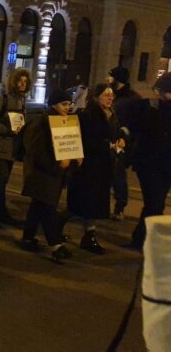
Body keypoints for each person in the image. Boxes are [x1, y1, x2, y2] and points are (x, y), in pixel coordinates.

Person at [66, 84, 124, 254]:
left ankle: (89, 235)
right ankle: (56, 227)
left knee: (93, 204)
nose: (110, 98)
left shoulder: (111, 114)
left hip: (104, 167)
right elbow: (87, 140)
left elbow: (116, 132)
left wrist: (122, 139)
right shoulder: (89, 114)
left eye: (111, 95)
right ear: (97, 96)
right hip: (90, 167)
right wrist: (108, 145)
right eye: (106, 95)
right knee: (83, 204)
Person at [20, 89, 76, 262]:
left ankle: (28, 237)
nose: (68, 107)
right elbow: (36, 151)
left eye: (69, 104)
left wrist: (74, 156)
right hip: (43, 174)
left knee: (38, 206)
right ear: (54, 105)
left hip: (52, 174)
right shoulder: (43, 123)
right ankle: (55, 244)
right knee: (48, 209)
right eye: (64, 104)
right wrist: (57, 164)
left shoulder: (62, 122)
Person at [0, 68, 31, 226]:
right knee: (1, 178)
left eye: (25, 81)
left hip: (12, 148)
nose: (22, 84)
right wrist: (5, 130)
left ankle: (0, 211)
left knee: (4, 180)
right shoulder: (1, 99)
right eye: (20, 81)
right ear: (13, 82)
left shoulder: (21, 100)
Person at [128, 73, 171, 249]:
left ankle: (140, 239)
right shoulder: (148, 107)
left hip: (166, 166)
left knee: (156, 204)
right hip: (150, 165)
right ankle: (147, 241)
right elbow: (137, 129)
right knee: (154, 203)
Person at [107, 66, 141, 220]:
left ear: (118, 79)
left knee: (118, 176)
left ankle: (119, 207)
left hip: (121, 144)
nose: (108, 79)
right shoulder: (109, 94)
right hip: (106, 140)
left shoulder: (132, 99)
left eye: (111, 76)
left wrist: (126, 137)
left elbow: (136, 124)